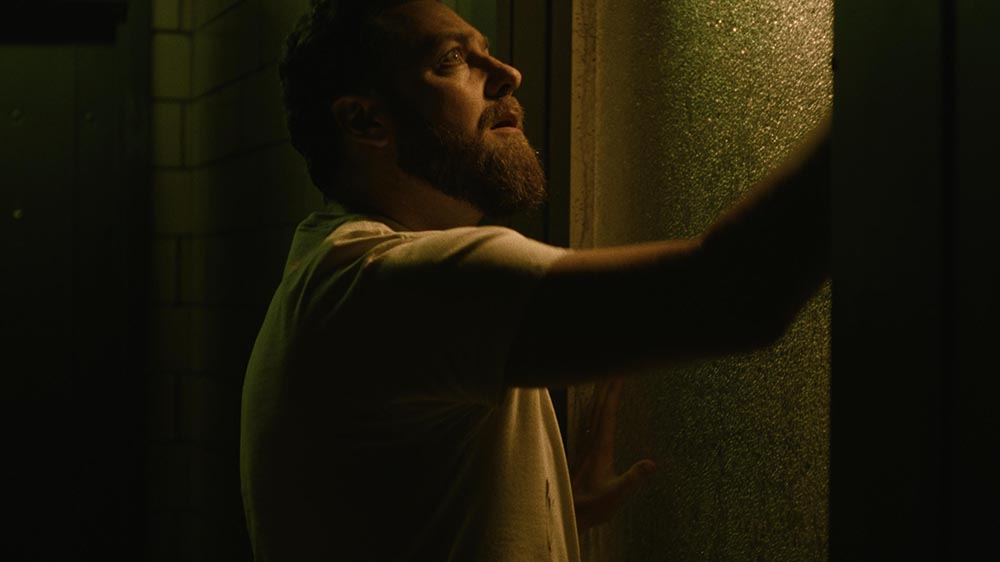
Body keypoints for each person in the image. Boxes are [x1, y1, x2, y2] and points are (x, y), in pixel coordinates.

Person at [239, 0, 831, 561]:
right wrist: (876, 86)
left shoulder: (335, 278)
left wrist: (550, 508)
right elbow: (737, 292)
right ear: (365, 120)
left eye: (486, 50)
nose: (508, 74)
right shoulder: (384, 286)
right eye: (452, 59)